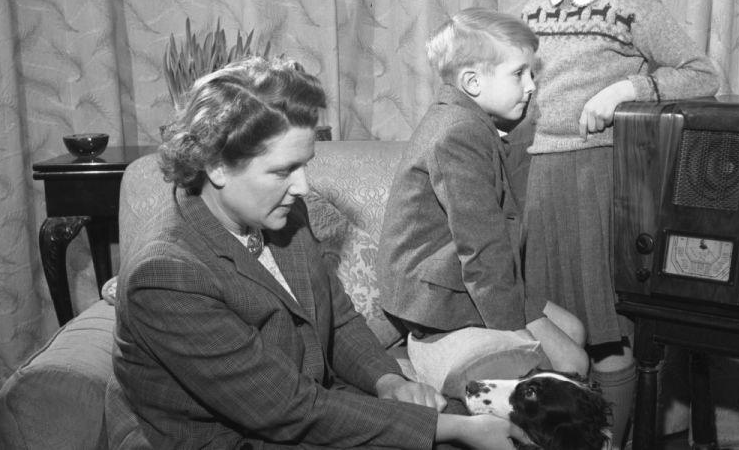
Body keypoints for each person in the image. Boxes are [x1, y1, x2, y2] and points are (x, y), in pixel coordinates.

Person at [111, 56, 530, 449]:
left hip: (309, 409)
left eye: (304, 164)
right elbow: (283, 407)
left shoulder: (281, 212)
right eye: (282, 170)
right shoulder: (166, 274)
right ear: (216, 165)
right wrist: (453, 429)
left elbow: (337, 316)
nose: (303, 188)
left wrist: (386, 380)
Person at [518, 0, 722, 447]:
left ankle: (607, 442)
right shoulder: (531, 13)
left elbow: (703, 74)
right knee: (551, 331)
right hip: (538, 184)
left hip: (599, 179)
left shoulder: (634, 8)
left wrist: (627, 90)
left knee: (606, 331)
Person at [376, 8, 589, 395]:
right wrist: (515, 332)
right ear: (472, 82)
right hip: (436, 293)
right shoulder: (459, 133)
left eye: (532, 73)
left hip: (454, 275)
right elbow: (482, 247)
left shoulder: (466, 120)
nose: (531, 86)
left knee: (574, 330)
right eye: (518, 74)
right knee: (575, 361)